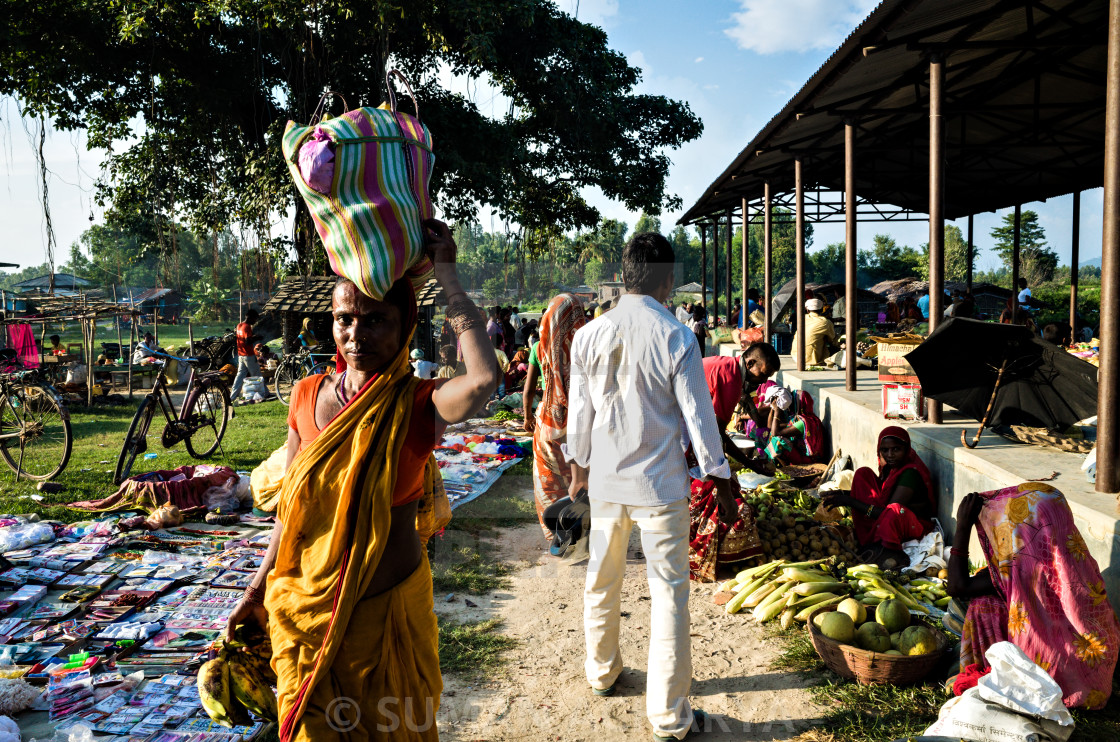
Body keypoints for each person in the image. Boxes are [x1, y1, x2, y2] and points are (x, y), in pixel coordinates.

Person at [223, 218, 499, 740]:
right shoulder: (305, 396)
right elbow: (291, 509)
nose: (356, 335)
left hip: (387, 616)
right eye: (345, 319)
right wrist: (256, 590)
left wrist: (449, 277)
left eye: (375, 321)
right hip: (307, 610)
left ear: (404, 327)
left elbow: (484, 380)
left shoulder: (416, 404)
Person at [567, 232, 736, 740]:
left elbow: (580, 417)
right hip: (660, 484)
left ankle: (602, 672)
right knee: (668, 595)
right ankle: (667, 716)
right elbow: (699, 418)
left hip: (606, 481)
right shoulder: (677, 335)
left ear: (623, 275)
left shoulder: (589, 335)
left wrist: (579, 470)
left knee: (602, 578)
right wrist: (719, 476)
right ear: (666, 278)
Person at [948, 485, 1119, 709]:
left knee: (983, 605)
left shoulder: (1021, 568)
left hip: (1047, 675)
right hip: (1094, 676)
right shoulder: (1079, 559)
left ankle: (1008, 674)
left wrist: (962, 526)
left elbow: (957, 586)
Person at [823, 427, 935, 569]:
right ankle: (869, 536)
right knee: (863, 474)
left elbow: (889, 513)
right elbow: (881, 497)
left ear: (906, 450)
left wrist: (850, 501)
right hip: (888, 514)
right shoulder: (889, 468)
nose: (890, 455)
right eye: (885, 450)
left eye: (896, 449)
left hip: (910, 523)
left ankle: (887, 548)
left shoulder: (909, 474)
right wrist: (842, 495)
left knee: (894, 510)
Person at [525, 294, 586, 538]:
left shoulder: (538, 348)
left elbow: (529, 389)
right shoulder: (587, 347)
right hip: (581, 425)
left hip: (547, 424)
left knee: (549, 482)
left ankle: (558, 536)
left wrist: (528, 414)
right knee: (582, 483)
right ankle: (583, 534)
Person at [700, 343, 781, 470]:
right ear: (750, 364)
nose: (765, 381)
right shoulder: (731, 380)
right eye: (764, 374)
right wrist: (750, 464)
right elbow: (717, 433)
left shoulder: (730, 364)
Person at [742, 382, 825, 466]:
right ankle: (783, 466)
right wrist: (772, 408)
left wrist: (777, 410)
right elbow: (770, 426)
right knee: (770, 434)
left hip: (808, 460)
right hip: (801, 454)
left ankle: (787, 469)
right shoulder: (796, 419)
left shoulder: (803, 422)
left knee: (778, 441)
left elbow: (775, 433)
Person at [792, 298, 840, 368]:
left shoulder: (802, 318)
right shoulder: (825, 322)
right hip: (811, 360)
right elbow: (832, 339)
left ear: (807, 310)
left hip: (796, 356)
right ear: (821, 309)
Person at [230, 310, 262, 401]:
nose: (255, 321)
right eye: (255, 319)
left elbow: (244, 339)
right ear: (251, 318)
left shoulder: (239, 325)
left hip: (241, 355)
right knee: (257, 376)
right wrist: (257, 337)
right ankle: (263, 394)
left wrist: (253, 337)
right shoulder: (247, 327)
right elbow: (248, 341)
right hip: (249, 355)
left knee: (239, 376)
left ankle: (232, 396)